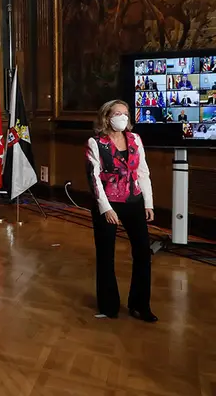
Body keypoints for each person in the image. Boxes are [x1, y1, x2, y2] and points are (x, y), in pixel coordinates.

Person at [85, 100, 157, 323]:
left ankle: (140, 305)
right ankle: (109, 306)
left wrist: (148, 203)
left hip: (134, 201)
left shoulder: (135, 139)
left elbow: (143, 172)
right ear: (107, 117)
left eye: (126, 114)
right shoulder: (96, 142)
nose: (123, 118)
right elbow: (94, 178)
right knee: (106, 254)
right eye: (118, 113)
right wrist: (106, 208)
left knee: (143, 252)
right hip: (108, 203)